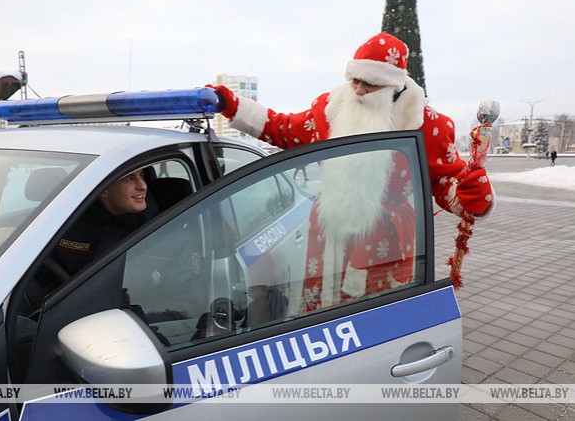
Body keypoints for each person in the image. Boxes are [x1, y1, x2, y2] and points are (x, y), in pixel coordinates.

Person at [208, 32, 495, 309]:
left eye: (369, 84)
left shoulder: (428, 125)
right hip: (328, 232)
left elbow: (445, 182)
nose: (358, 90)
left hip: (387, 237)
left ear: (393, 85)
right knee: (322, 307)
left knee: (378, 314)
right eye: (354, 80)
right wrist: (231, 105)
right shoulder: (329, 109)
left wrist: (470, 195)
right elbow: (282, 130)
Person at [50, 169, 157, 276]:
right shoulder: (69, 224)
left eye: (141, 176)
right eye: (130, 178)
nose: (143, 186)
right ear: (103, 190)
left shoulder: (159, 223)